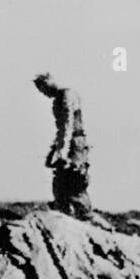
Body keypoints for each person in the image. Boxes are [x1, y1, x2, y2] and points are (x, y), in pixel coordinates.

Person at [34, 74, 91, 218]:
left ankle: (80, 212)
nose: (44, 94)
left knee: (73, 178)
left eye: (43, 89)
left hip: (74, 144)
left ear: (48, 82)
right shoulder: (58, 99)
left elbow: (67, 125)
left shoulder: (66, 96)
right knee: (61, 179)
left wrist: (61, 150)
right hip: (67, 143)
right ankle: (65, 209)